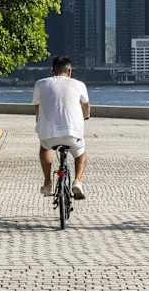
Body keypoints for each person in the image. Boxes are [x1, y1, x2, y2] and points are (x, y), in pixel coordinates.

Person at [32, 55, 90, 199]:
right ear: (69, 72)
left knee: (44, 148)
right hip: (72, 133)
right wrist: (85, 117)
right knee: (80, 153)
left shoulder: (40, 83)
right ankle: (77, 181)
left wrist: (39, 121)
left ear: (52, 72)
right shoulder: (79, 84)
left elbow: (37, 107)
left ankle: (47, 183)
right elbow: (86, 107)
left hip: (48, 134)